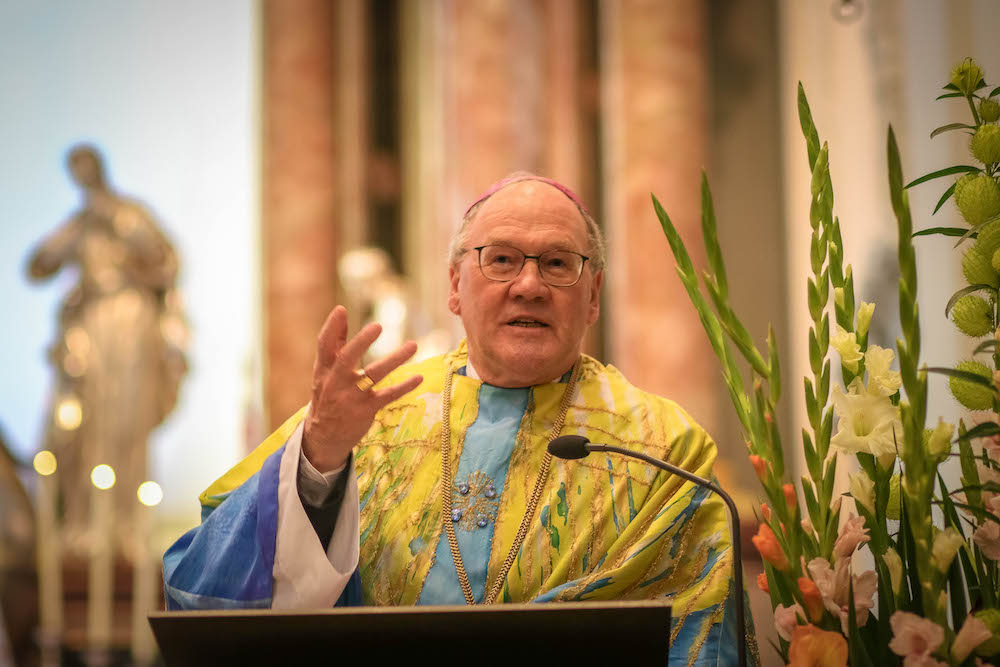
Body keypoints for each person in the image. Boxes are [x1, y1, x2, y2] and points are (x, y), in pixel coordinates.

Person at [164, 173, 745, 665]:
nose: (529, 286)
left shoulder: (662, 447)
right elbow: (204, 590)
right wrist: (318, 462)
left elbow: (694, 637)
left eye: (558, 264)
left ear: (592, 296)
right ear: (454, 287)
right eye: (501, 261)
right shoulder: (369, 415)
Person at [27, 144, 187, 558]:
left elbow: (164, 259)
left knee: (128, 419)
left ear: (98, 169)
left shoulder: (127, 211)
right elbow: (37, 266)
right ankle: (87, 524)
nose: (82, 176)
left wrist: (116, 221)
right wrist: (74, 234)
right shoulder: (79, 224)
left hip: (131, 322)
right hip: (93, 322)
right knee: (89, 421)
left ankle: (127, 524)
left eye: (86, 168)